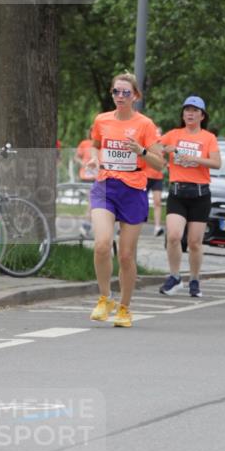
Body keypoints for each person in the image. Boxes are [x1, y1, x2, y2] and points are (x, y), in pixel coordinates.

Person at [88, 72, 163, 327]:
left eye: (126, 93)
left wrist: (140, 151)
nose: (120, 97)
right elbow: (95, 144)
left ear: (136, 96)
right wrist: (94, 157)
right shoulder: (102, 120)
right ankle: (105, 297)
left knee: (126, 256)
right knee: (101, 244)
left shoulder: (145, 125)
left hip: (133, 189)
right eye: (116, 92)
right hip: (105, 186)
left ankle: (124, 307)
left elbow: (159, 162)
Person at [159, 96, 221, 298]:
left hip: (200, 194)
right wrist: (163, 150)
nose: (190, 114)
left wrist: (193, 158)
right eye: (187, 110)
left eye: (195, 110)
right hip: (177, 193)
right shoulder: (173, 134)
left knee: (195, 242)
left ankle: (194, 279)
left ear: (202, 115)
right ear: (183, 114)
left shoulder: (208, 137)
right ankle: (175, 276)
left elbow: (217, 163)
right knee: (174, 236)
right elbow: (156, 150)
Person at [74, 135, 97, 239]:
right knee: (92, 202)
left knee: (94, 203)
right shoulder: (84, 143)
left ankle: (87, 226)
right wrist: (82, 163)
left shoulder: (101, 143)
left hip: (98, 177)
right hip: (86, 177)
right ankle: (85, 226)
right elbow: (76, 157)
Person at [144, 125, 165, 237]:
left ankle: (157, 227)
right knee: (141, 201)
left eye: (159, 133)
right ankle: (134, 224)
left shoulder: (162, 145)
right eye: (155, 132)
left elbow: (164, 159)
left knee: (157, 202)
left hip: (157, 177)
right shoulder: (147, 143)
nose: (157, 134)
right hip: (146, 176)